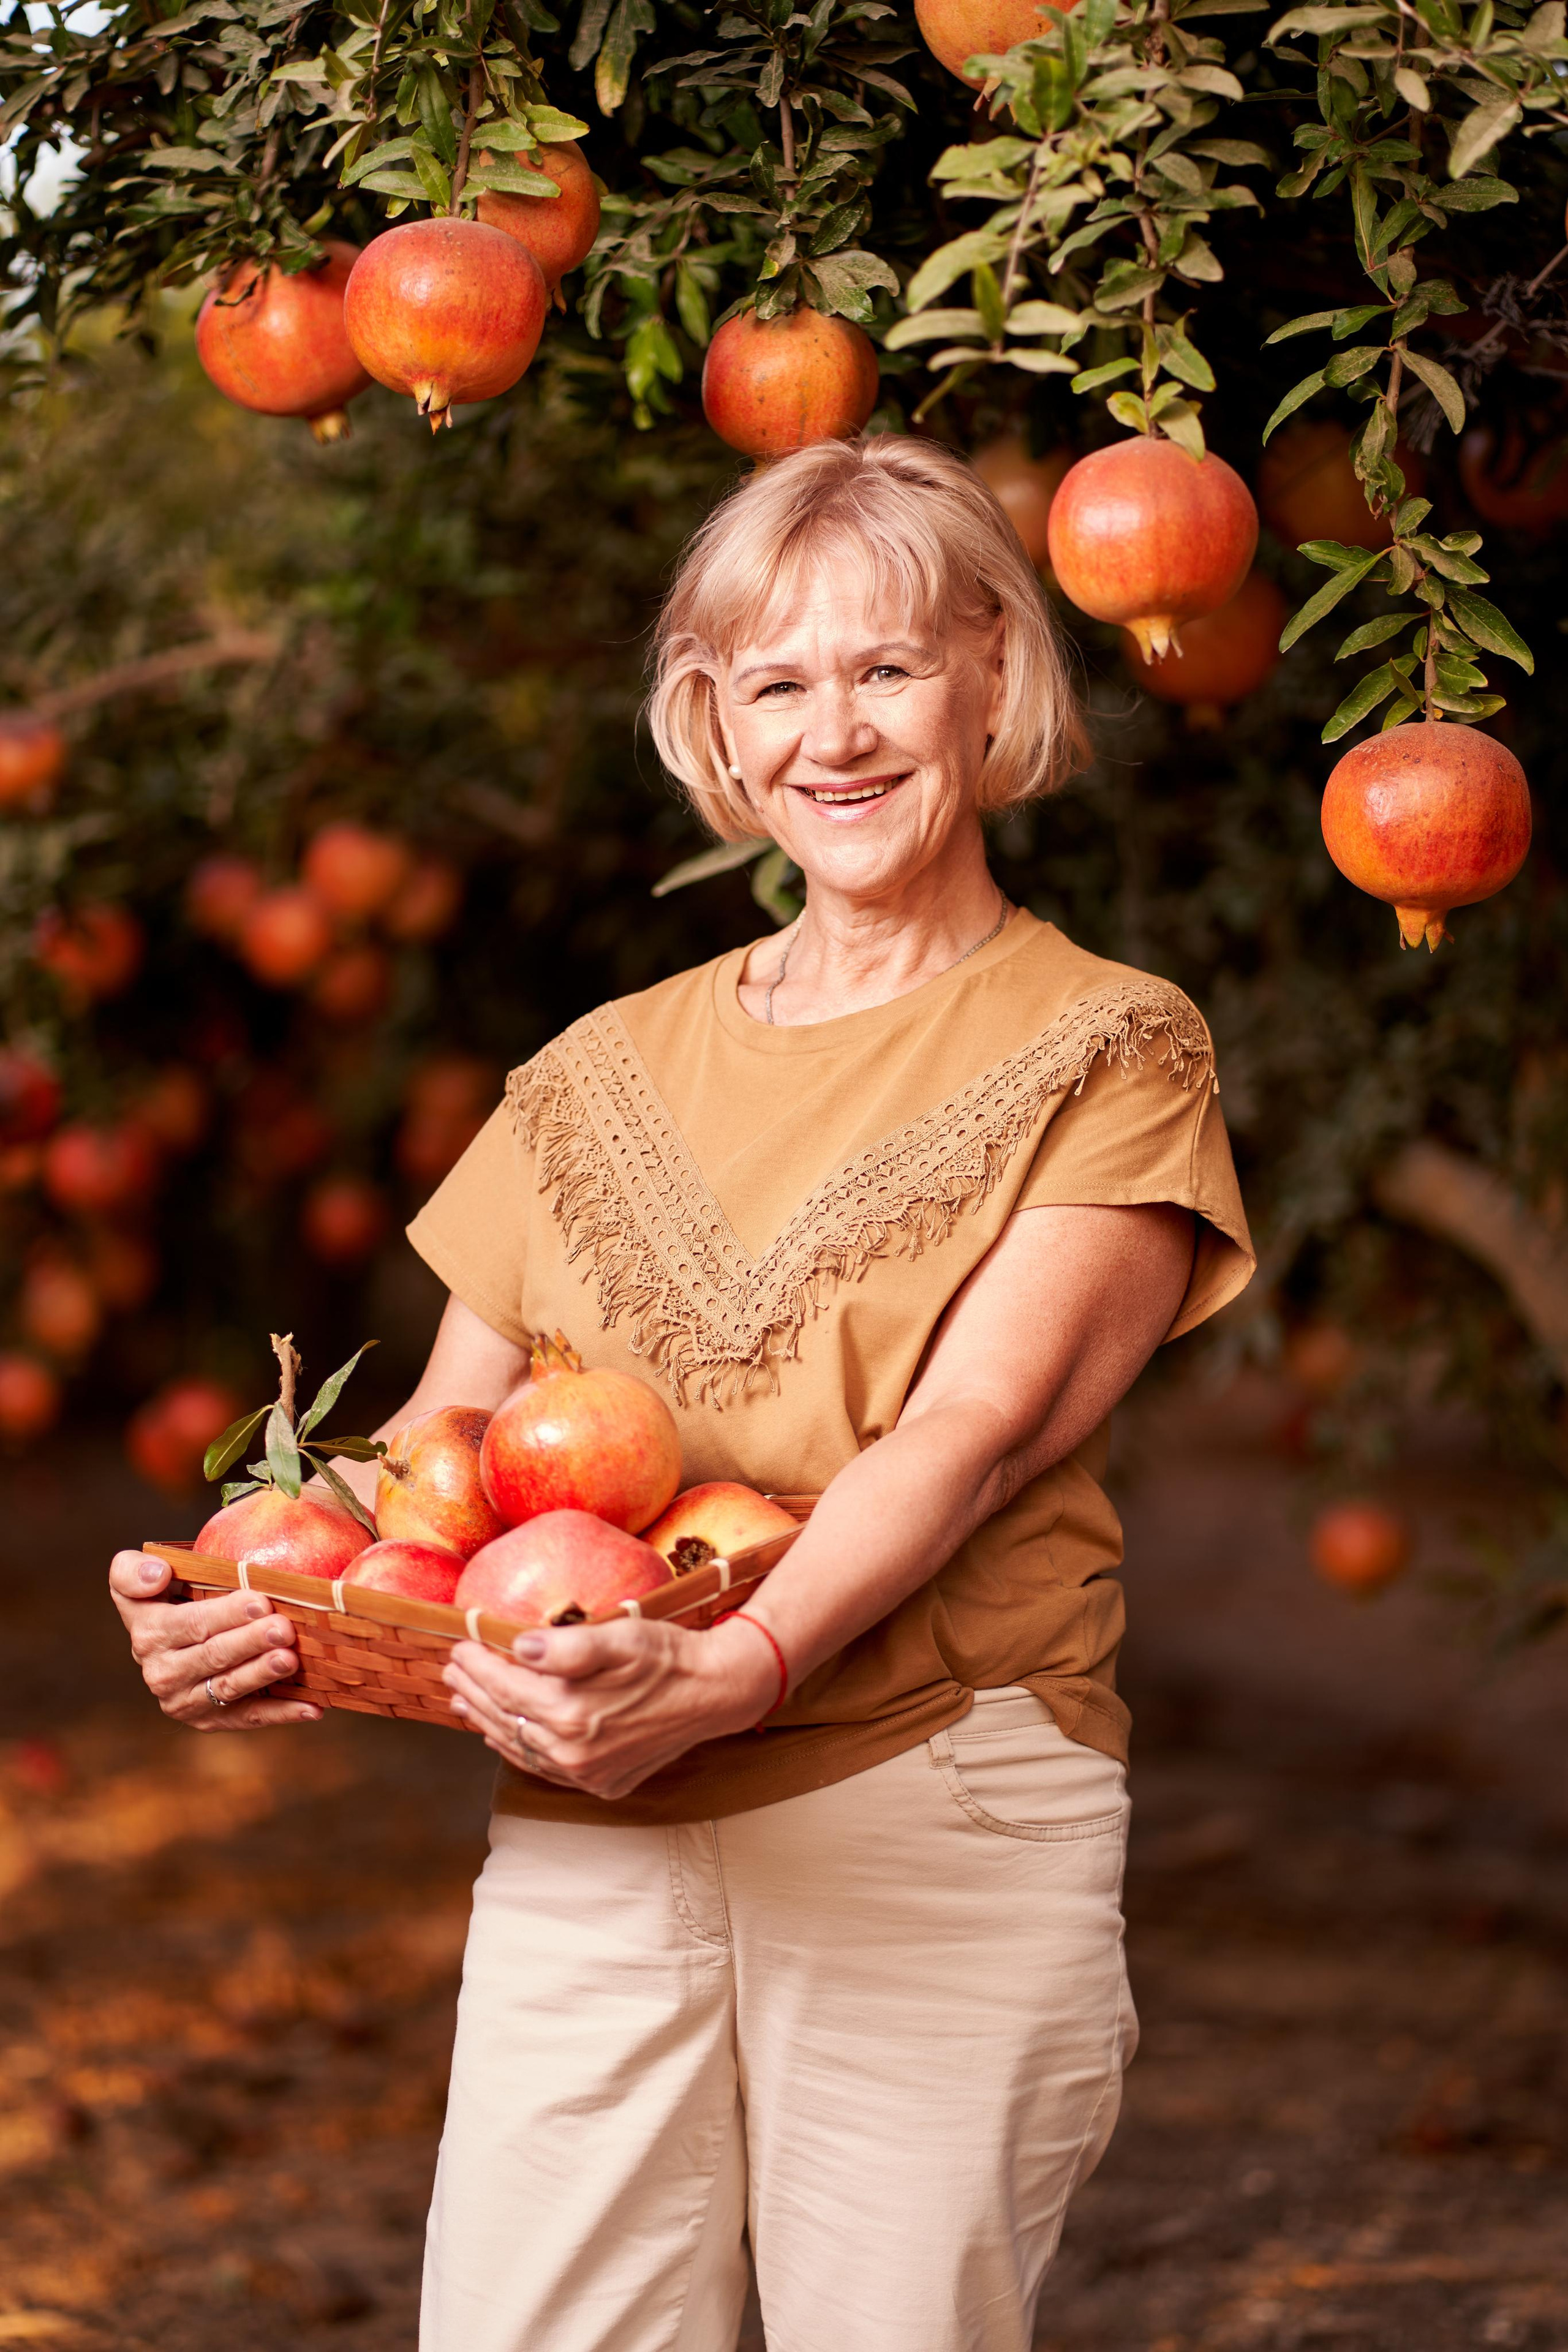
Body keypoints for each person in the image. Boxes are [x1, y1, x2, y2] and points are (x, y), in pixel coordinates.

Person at [110, 434, 1253, 2352]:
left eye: (888, 668)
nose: (840, 732)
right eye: (779, 683)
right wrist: (273, 1614)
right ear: (715, 723)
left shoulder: (1108, 1043)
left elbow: (967, 1440)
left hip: (927, 1802)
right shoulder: (587, 1078)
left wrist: (745, 1666)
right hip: (590, 1826)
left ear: (993, 672)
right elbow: (440, 1494)